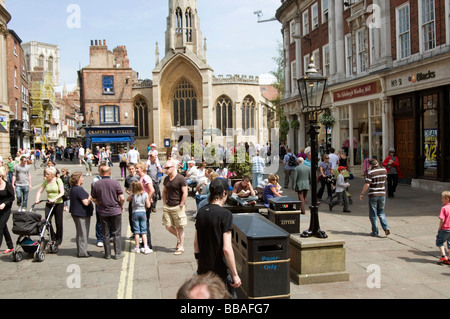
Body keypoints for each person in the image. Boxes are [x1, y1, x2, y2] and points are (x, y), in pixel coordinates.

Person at [194, 177, 242, 298]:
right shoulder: (225, 214)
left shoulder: (201, 212)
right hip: (220, 271)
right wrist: (235, 275)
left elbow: (196, 245)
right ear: (224, 193)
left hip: (204, 269)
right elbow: (227, 248)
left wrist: (200, 264)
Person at [91, 165, 125, 260]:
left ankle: (108, 254)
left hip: (103, 212)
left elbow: (93, 198)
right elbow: (122, 197)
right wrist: (120, 205)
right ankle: (118, 253)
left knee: (105, 234)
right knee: (116, 233)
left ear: (100, 173)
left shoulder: (96, 184)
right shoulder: (115, 183)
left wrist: (99, 204)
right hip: (115, 211)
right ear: (109, 172)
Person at [162, 159, 188, 255]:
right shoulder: (166, 179)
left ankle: (181, 246)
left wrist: (181, 204)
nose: (166, 170)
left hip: (177, 206)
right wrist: (164, 203)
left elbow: (185, 192)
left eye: (167, 168)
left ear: (173, 168)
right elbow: (164, 191)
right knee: (168, 226)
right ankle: (179, 237)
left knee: (179, 227)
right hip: (168, 206)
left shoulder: (180, 178)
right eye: (165, 168)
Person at [360, 158, 390, 237]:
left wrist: (362, 194)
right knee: (381, 212)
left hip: (373, 194)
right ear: (377, 163)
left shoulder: (371, 172)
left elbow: (367, 184)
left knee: (373, 214)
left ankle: (375, 232)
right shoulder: (384, 170)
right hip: (382, 194)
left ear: (371, 165)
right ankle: (386, 227)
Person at [35, 167, 65, 246]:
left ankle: (59, 239)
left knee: (58, 222)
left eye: (47, 174)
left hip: (58, 203)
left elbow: (62, 192)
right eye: (46, 174)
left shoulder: (58, 180)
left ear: (52, 175)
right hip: (49, 203)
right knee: (47, 221)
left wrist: (54, 198)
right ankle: (53, 235)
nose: (46, 175)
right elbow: (40, 191)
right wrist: (37, 199)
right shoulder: (46, 181)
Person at [69, 171, 94, 258]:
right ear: (78, 179)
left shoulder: (73, 188)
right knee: (83, 233)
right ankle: (82, 252)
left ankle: (82, 250)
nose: (83, 178)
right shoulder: (79, 189)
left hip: (78, 213)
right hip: (81, 214)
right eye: (81, 177)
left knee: (81, 232)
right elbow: (86, 202)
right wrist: (90, 197)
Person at [127, 181, 152, 254]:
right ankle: (145, 247)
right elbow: (148, 205)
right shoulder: (145, 194)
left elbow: (127, 200)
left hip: (135, 213)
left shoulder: (133, 195)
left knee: (136, 231)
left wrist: (131, 194)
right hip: (143, 213)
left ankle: (137, 247)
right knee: (144, 231)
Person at [135, 161, 155, 251]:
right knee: (143, 224)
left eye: (137, 168)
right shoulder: (141, 178)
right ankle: (144, 243)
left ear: (142, 168)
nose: (136, 170)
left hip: (146, 204)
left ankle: (148, 244)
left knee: (145, 224)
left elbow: (152, 190)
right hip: (143, 204)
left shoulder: (146, 178)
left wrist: (148, 201)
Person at [0, 167, 15, 254]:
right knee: (4, 227)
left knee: (0, 227)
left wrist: (4, 204)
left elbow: (12, 197)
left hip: (6, 209)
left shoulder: (7, 185)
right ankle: (10, 246)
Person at [436, 191, 450, 264]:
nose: (441, 200)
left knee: (440, 241)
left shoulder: (444, 208)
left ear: (447, 199)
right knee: (449, 243)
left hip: (445, 228)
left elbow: (442, 219)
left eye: (442, 198)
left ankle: (443, 256)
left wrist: (440, 227)